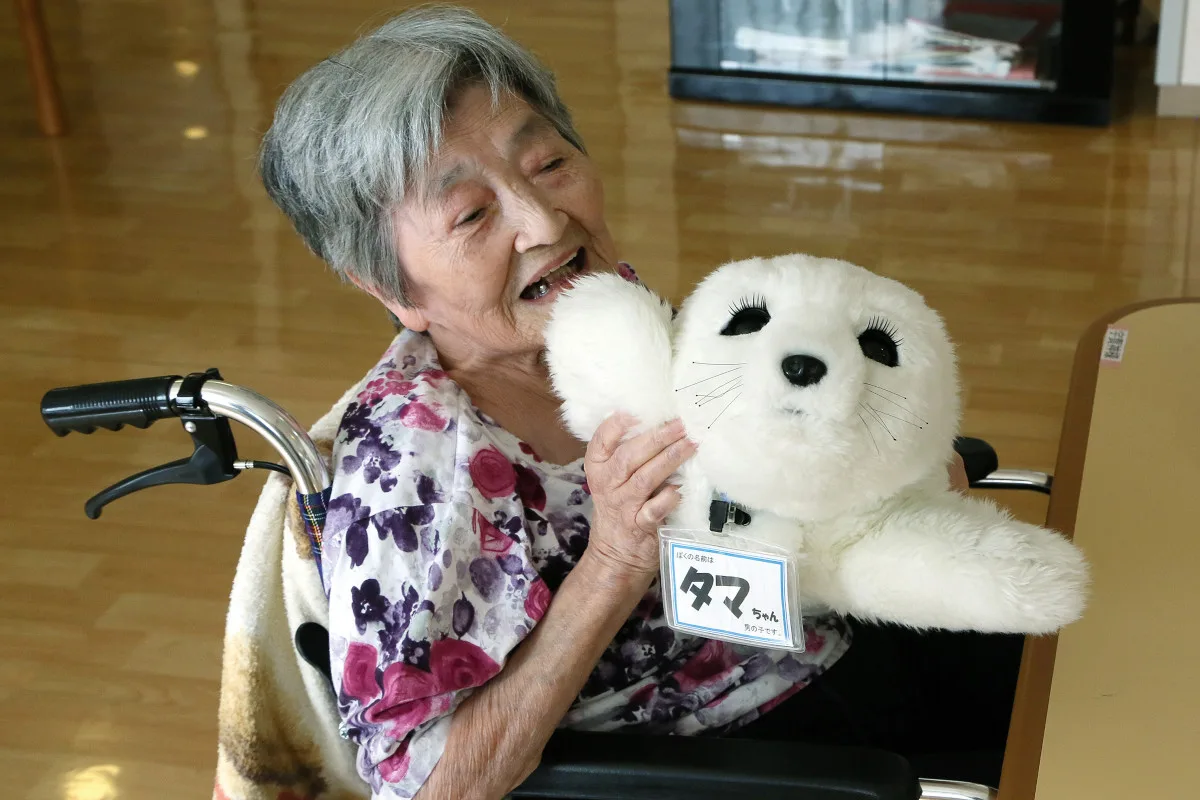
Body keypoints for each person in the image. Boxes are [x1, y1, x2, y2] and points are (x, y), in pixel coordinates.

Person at [258, 6, 1018, 799]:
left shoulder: (601, 318)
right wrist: (617, 556)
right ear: (390, 288)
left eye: (548, 163)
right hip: (754, 754)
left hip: (842, 616)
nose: (544, 221)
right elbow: (431, 785)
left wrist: (886, 478)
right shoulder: (413, 468)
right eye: (474, 214)